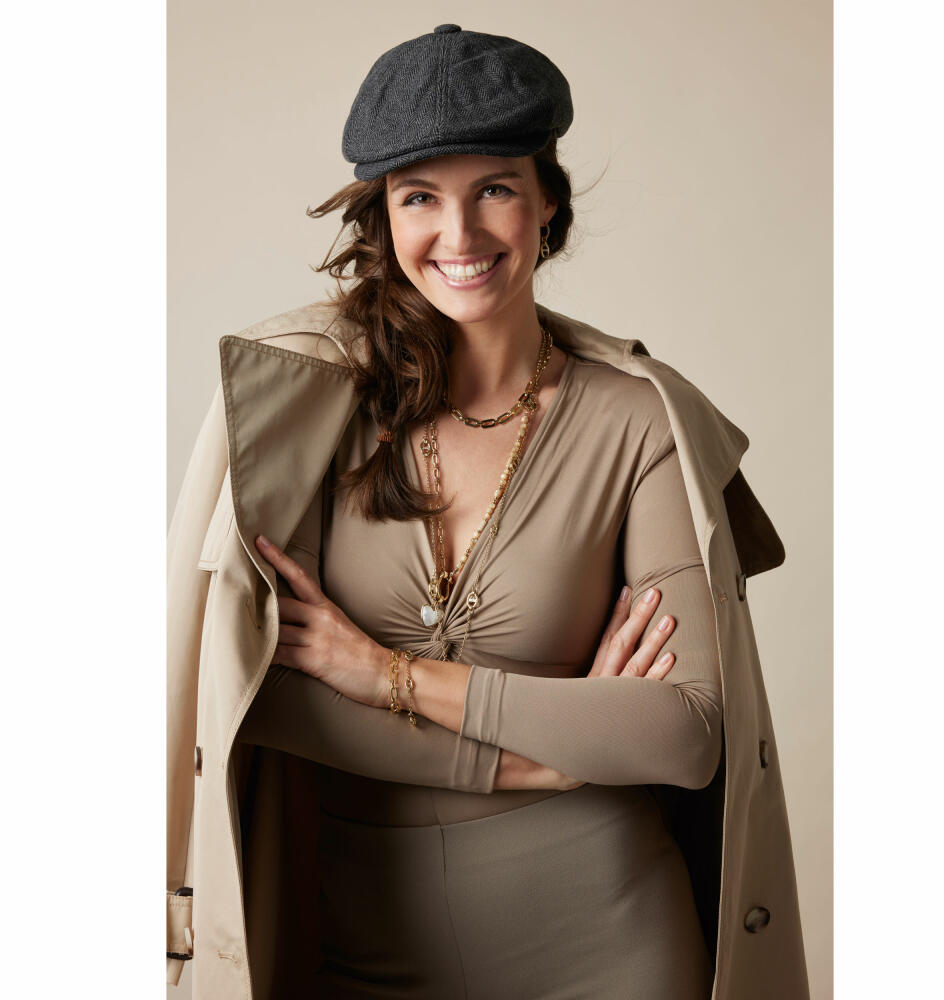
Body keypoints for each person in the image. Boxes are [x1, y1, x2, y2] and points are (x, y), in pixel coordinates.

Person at [166, 23, 810, 1000]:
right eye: (420, 196)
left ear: (547, 200)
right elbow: (260, 700)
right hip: (350, 950)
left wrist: (384, 675)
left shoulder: (638, 420)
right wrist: (545, 760)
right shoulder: (308, 406)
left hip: (612, 945)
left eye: (495, 189)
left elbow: (682, 733)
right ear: (383, 216)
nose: (459, 235)